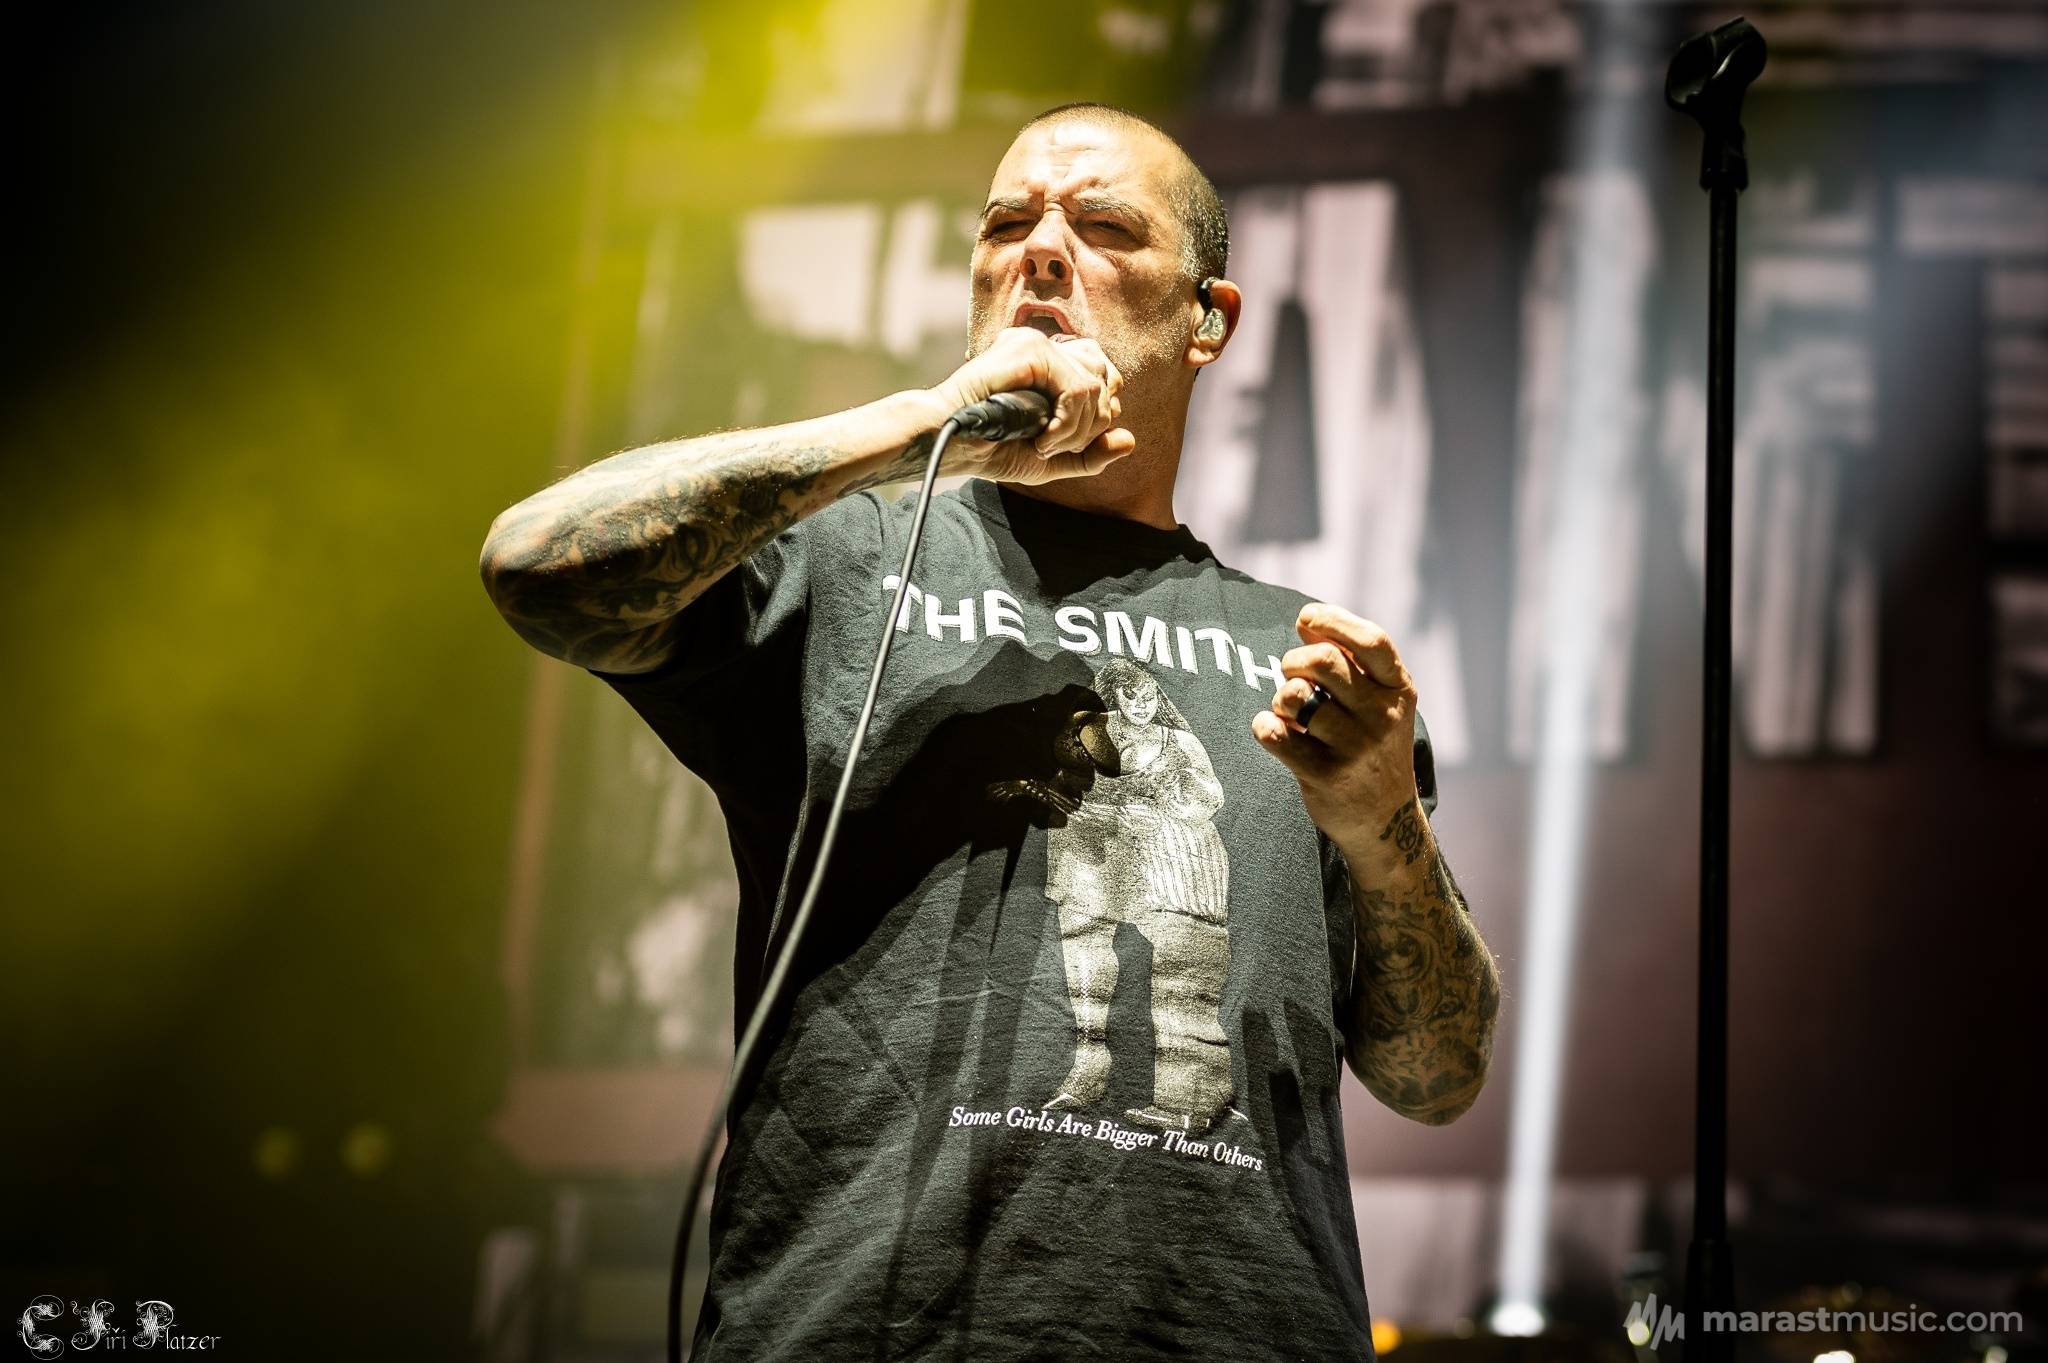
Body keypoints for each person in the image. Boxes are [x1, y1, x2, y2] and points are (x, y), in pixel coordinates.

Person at [481, 101, 1500, 1362]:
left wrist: (1383, 826)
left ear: (1207, 321)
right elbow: (537, 567)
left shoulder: (1300, 658)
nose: (1041, 250)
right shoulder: (845, 561)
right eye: (1006, 223)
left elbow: (1435, 1075)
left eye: (1104, 226)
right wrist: (928, 433)